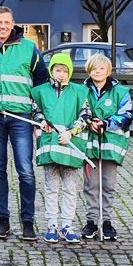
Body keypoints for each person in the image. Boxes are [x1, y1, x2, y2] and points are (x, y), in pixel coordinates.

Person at [0, 6, 49, 241]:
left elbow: (41, 80)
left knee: (25, 170)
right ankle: (2, 220)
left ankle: (27, 221)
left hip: (21, 118)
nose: (3, 26)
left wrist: (38, 114)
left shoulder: (28, 49)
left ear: (13, 24)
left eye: (6, 22)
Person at [28, 53, 89, 244]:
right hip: (50, 145)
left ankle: (67, 225)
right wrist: (41, 122)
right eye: (57, 70)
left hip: (70, 145)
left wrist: (72, 132)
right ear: (51, 70)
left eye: (65, 70)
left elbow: (85, 115)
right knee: (51, 187)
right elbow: (35, 110)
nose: (61, 74)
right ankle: (52, 224)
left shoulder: (79, 92)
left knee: (70, 188)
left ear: (70, 72)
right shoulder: (41, 91)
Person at [80, 54, 133, 242]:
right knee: (91, 184)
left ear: (108, 71)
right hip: (89, 146)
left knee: (108, 185)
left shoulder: (120, 92)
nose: (98, 71)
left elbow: (126, 114)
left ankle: (107, 221)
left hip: (111, 145)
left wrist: (106, 123)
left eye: (102, 68)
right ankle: (92, 221)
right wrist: (88, 122)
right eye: (94, 68)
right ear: (89, 70)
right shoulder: (82, 90)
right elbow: (79, 109)